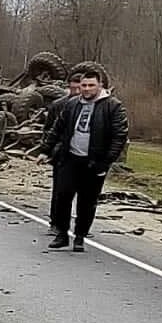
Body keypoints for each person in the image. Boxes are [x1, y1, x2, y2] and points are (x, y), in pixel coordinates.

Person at [36, 65, 128, 252]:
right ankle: (62, 233)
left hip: (94, 162)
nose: (86, 89)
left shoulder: (113, 107)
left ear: (100, 85)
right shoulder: (72, 104)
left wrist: (106, 162)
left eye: (91, 85)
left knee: (87, 202)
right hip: (70, 158)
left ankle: (79, 236)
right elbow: (57, 128)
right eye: (84, 85)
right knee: (62, 196)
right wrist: (45, 150)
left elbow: (119, 137)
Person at [42, 71, 85, 139]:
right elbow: (48, 129)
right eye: (73, 88)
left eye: (79, 89)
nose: (77, 92)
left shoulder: (92, 105)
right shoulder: (57, 105)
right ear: (69, 86)